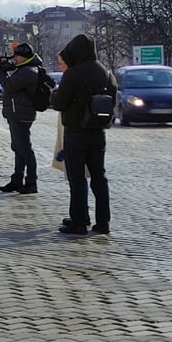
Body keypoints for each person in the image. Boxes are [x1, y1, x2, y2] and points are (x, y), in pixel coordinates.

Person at [50, 34, 117, 236]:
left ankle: (79, 222)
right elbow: (112, 100)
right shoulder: (106, 73)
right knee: (99, 176)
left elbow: (59, 103)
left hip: (76, 132)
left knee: (77, 178)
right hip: (98, 131)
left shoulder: (73, 74)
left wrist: (55, 93)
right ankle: (103, 222)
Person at [0, 43, 42, 195]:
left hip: (21, 115)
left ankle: (31, 182)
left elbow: (9, 86)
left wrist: (1, 73)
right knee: (18, 148)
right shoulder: (24, 69)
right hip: (17, 114)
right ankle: (17, 179)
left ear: (25, 57)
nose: (15, 58)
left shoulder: (28, 71)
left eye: (17, 56)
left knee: (25, 149)